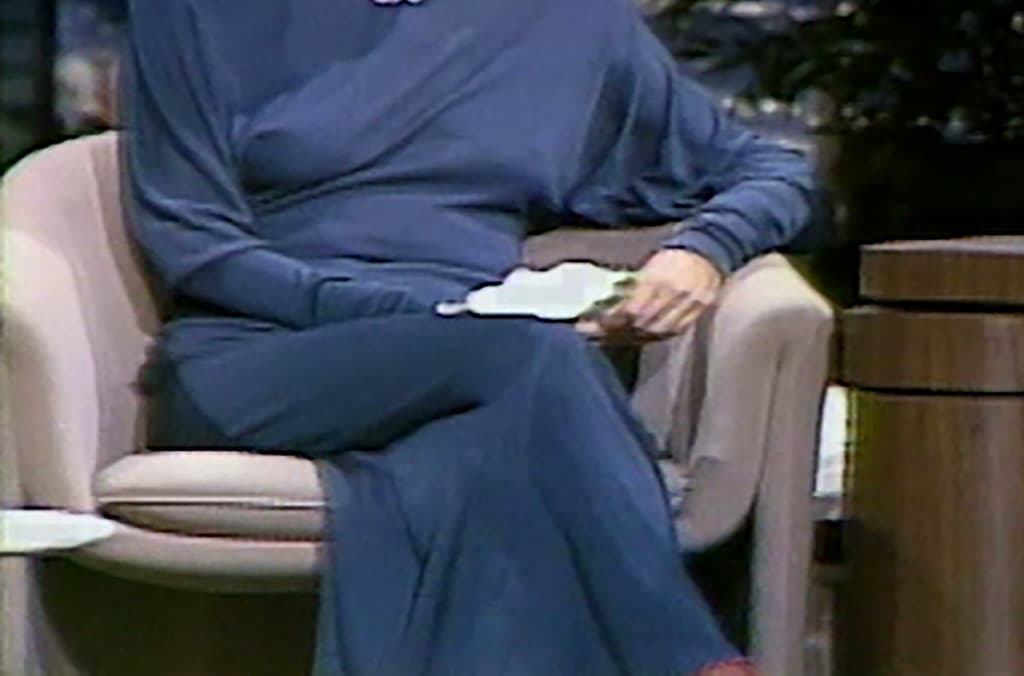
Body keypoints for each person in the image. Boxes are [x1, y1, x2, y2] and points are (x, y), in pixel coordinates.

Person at [124, 0, 815, 674]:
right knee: (527, 358)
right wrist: (422, 313)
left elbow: (774, 170)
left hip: (472, 358)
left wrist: (703, 249)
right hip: (261, 348)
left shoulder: (565, 19)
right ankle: (689, 657)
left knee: (482, 463)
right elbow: (195, 244)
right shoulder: (195, 12)